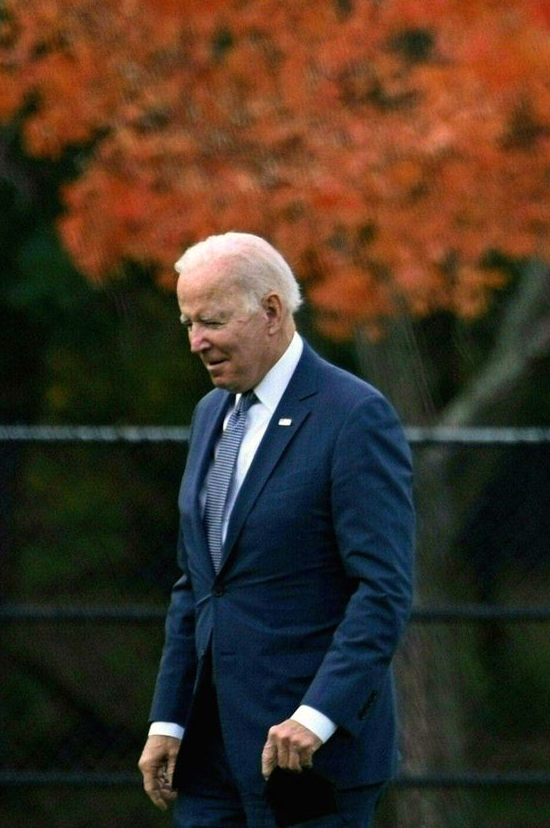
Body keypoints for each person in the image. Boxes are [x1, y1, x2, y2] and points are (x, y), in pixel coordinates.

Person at [137, 232, 415, 826]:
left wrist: (316, 717)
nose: (195, 342)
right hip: (208, 758)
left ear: (270, 311)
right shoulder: (209, 414)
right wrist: (168, 718)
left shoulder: (354, 416)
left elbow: (382, 591)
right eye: (187, 322)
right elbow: (197, 583)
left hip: (306, 763)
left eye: (210, 321)